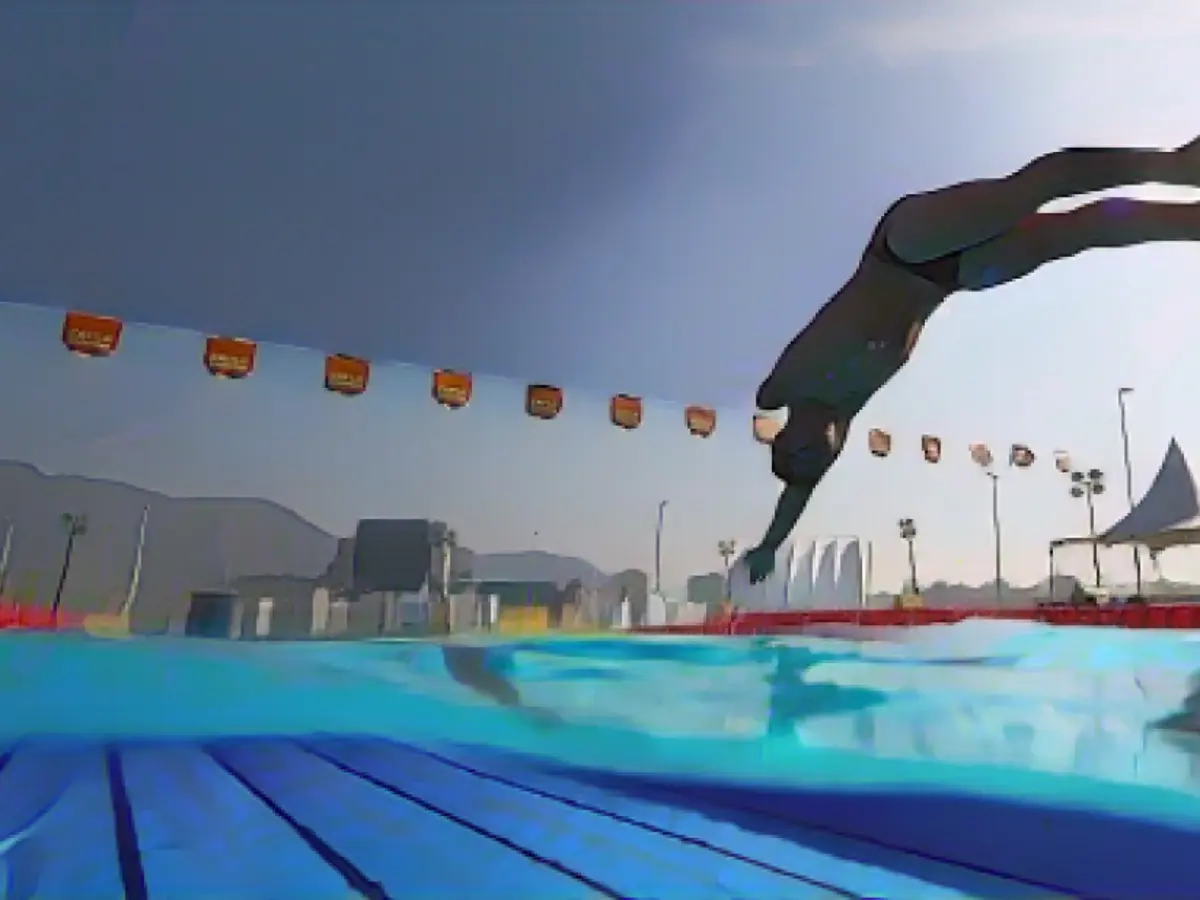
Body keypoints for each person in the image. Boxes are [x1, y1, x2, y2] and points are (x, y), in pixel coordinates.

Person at [745, 137, 1200, 585]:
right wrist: (769, 547)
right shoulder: (845, 412)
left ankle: (1178, 167)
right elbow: (797, 493)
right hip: (954, 277)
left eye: (805, 453)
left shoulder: (785, 386)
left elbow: (793, 480)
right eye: (821, 461)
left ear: (784, 438)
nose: (824, 452)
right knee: (1083, 232)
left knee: (1033, 188)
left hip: (905, 248)